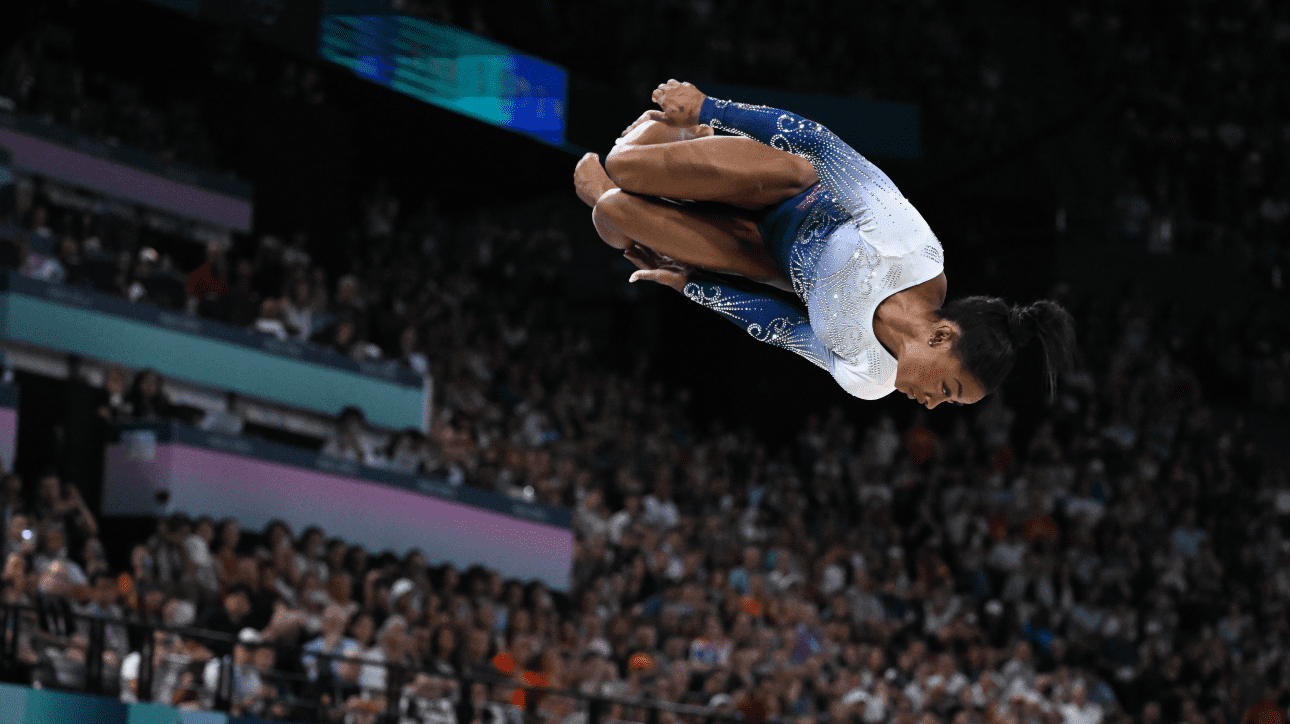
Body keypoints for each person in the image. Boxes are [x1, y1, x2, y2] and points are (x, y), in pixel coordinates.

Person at [573, 80, 1077, 405]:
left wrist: (691, 285)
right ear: (942, 336)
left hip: (760, 253)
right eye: (947, 388)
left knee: (611, 214)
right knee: (622, 165)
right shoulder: (910, 251)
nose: (932, 404)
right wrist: (710, 106)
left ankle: (666, 170)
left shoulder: (871, 378)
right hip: (789, 187)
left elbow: (784, 329)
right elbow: (820, 144)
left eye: (947, 402)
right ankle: (689, 136)